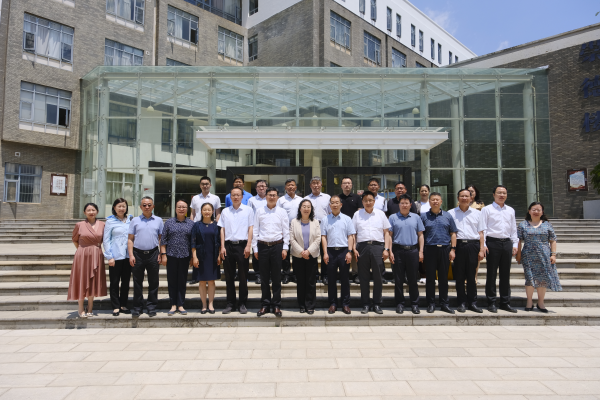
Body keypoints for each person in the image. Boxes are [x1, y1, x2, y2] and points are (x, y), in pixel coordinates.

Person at [478, 185, 519, 313]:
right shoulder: (487, 209)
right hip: (492, 243)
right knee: (491, 274)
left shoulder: (510, 210)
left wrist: (515, 244)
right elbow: (483, 228)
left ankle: (505, 302)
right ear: (493, 194)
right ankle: (491, 302)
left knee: (505, 274)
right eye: (499, 193)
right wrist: (483, 245)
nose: (502, 195)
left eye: (504, 193)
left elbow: (513, 228)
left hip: (506, 243)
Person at [516, 202, 561, 313]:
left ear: (542, 212)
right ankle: (529, 301)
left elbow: (553, 240)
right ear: (529, 211)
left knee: (542, 279)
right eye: (534, 209)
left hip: (544, 255)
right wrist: (518, 254)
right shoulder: (523, 225)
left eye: (538, 210)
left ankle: (541, 303)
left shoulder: (547, 225)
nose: (536, 212)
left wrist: (553, 254)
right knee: (529, 278)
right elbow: (518, 240)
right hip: (528, 255)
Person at [352, 191, 392, 314]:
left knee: (378, 277)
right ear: (362, 202)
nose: (368, 202)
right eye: (365, 200)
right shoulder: (357, 214)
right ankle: (365, 304)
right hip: (362, 247)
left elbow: (387, 233)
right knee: (363, 277)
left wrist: (386, 249)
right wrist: (353, 248)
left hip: (377, 247)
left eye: (370, 200)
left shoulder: (381, 214)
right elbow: (353, 234)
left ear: (374, 201)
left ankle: (377, 304)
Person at [253, 187, 290, 317]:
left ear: (277, 197)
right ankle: (265, 305)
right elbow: (255, 230)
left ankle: (276, 305)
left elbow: (286, 230)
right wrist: (255, 248)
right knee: (264, 278)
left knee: (276, 277)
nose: (272, 197)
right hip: (262, 246)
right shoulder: (259, 211)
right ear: (266, 196)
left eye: (274, 195)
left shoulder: (282, 212)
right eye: (270, 195)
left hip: (277, 246)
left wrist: (285, 247)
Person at [448, 189, 484, 313]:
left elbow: (481, 233)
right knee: (459, 276)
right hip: (458, 245)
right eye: (462, 196)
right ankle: (461, 302)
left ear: (471, 198)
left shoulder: (477, 213)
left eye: (467, 196)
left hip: (473, 245)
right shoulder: (451, 213)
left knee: (471, 276)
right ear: (458, 198)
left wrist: (481, 249)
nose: (464, 198)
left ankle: (473, 303)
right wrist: (452, 249)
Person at [218, 187, 254, 314]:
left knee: (243, 276)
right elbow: (222, 229)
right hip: (228, 246)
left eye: (238, 195)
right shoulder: (225, 211)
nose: (236, 197)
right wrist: (222, 247)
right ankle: (230, 303)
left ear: (242, 197)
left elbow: (251, 228)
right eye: (233, 195)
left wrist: (248, 245)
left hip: (242, 245)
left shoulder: (248, 210)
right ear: (230, 197)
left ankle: (242, 303)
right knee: (229, 276)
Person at [421, 192, 457, 314]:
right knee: (430, 278)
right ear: (429, 202)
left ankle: (444, 304)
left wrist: (453, 249)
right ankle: (431, 303)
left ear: (441, 202)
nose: (435, 201)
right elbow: (420, 235)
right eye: (433, 200)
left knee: (443, 279)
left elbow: (453, 233)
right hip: (429, 249)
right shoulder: (423, 216)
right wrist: (421, 251)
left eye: (437, 200)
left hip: (445, 249)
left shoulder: (448, 216)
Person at [69, 203, 107, 318]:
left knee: (93, 280)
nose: (91, 212)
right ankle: (80, 307)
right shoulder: (79, 225)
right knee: (81, 279)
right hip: (82, 255)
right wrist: (82, 250)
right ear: (84, 212)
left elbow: (105, 240)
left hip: (97, 254)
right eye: (88, 210)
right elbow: (75, 240)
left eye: (93, 210)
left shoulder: (103, 224)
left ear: (97, 211)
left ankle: (90, 306)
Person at [128, 196, 164, 318]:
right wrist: (131, 255)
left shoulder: (159, 220)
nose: (147, 207)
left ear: (153, 206)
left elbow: (161, 238)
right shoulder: (135, 220)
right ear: (140, 207)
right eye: (144, 205)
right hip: (137, 254)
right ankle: (137, 307)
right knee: (137, 282)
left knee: (153, 282)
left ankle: (151, 307)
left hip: (153, 253)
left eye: (149, 205)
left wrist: (161, 253)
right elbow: (130, 239)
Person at [388, 194, 424, 315]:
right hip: (397, 250)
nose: (404, 205)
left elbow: (420, 235)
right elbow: (389, 235)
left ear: (410, 205)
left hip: (412, 251)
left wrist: (421, 251)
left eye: (406, 203)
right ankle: (400, 304)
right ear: (399, 205)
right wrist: (389, 251)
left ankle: (415, 304)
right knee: (398, 279)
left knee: (413, 279)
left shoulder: (416, 217)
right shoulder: (393, 217)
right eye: (402, 203)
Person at [322, 195, 356, 314]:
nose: (335, 204)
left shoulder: (347, 219)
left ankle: (345, 304)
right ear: (330, 205)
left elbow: (351, 236)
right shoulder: (325, 219)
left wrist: (349, 252)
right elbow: (323, 237)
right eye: (332, 202)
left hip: (344, 251)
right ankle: (333, 303)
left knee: (345, 279)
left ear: (341, 205)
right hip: (330, 252)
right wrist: (325, 253)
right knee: (331, 279)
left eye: (337, 202)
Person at [160, 199, 195, 316]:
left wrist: (192, 257)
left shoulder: (191, 223)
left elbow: (193, 242)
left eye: (184, 207)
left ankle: (180, 304)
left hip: (185, 256)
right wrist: (163, 255)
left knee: (182, 280)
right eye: (179, 207)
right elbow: (163, 240)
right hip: (171, 255)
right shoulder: (169, 222)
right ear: (175, 209)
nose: (181, 209)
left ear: (187, 209)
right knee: (172, 280)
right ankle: (173, 304)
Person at [290, 199, 321, 314]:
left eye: (308, 207)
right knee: (301, 281)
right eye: (304, 206)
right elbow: (292, 238)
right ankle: (302, 305)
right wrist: (301, 252)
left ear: (311, 209)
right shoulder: (294, 222)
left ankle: (310, 305)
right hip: (298, 256)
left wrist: (308, 251)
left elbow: (318, 238)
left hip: (311, 256)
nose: (306, 209)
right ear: (300, 209)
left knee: (311, 282)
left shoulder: (315, 222)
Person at [103, 198, 133, 317]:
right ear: (114, 208)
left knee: (126, 282)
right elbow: (106, 240)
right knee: (114, 282)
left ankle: (123, 305)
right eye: (119, 206)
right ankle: (115, 306)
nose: (121, 208)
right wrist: (109, 256)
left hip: (128, 256)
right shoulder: (110, 221)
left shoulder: (130, 220)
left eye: (123, 206)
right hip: (115, 256)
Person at [189, 176, 221, 285]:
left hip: (211, 226)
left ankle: (210, 275)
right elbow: (193, 213)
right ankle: (197, 276)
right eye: (203, 184)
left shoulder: (215, 198)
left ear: (210, 185)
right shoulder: (195, 198)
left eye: (207, 184)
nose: (205, 186)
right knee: (197, 249)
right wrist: (192, 225)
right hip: (198, 227)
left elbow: (218, 213)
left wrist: (216, 226)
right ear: (200, 185)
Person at [191, 203, 221, 314]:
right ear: (201, 211)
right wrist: (194, 257)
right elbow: (193, 242)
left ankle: (211, 304)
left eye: (209, 210)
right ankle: (204, 305)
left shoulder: (217, 225)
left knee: (211, 281)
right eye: (204, 210)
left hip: (213, 256)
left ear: (213, 211)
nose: (207, 212)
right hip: (200, 256)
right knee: (202, 281)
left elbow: (219, 242)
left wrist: (219, 255)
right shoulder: (196, 225)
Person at [304, 176, 331, 284]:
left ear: (321, 185)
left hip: (324, 227)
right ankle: (314, 274)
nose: (316, 185)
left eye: (318, 183)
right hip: (311, 227)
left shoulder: (327, 197)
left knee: (325, 251)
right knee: (312, 251)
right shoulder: (306, 199)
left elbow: (330, 213)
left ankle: (325, 275)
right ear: (310, 185)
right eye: (314, 183)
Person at [277, 178, 303, 284]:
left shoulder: (301, 200)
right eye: (288, 185)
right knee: (285, 254)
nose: (290, 187)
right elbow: (277, 215)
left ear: (296, 187)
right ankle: (286, 275)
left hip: (298, 230)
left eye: (292, 185)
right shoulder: (281, 200)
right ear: (285, 188)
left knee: (297, 253)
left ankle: (296, 274)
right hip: (285, 230)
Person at [338, 177, 362, 284]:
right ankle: (344, 273)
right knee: (344, 250)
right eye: (345, 183)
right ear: (341, 185)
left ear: (351, 185)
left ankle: (355, 273)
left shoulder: (357, 198)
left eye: (349, 183)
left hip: (354, 228)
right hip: (341, 228)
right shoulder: (338, 198)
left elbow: (359, 212)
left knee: (354, 250)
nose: (347, 185)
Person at [248, 180, 268, 283]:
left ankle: (267, 275)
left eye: (263, 186)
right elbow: (249, 215)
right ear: (256, 188)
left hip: (268, 230)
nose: (261, 188)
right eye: (259, 186)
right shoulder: (251, 200)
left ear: (266, 188)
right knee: (256, 253)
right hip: (256, 230)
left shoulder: (270, 198)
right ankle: (258, 275)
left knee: (267, 254)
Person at [416, 185, 430, 283]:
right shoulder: (416, 204)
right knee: (420, 252)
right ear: (419, 192)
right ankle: (422, 274)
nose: (424, 192)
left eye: (425, 191)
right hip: (419, 232)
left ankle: (430, 274)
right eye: (422, 191)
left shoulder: (432, 202)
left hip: (431, 231)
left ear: (428, 192)